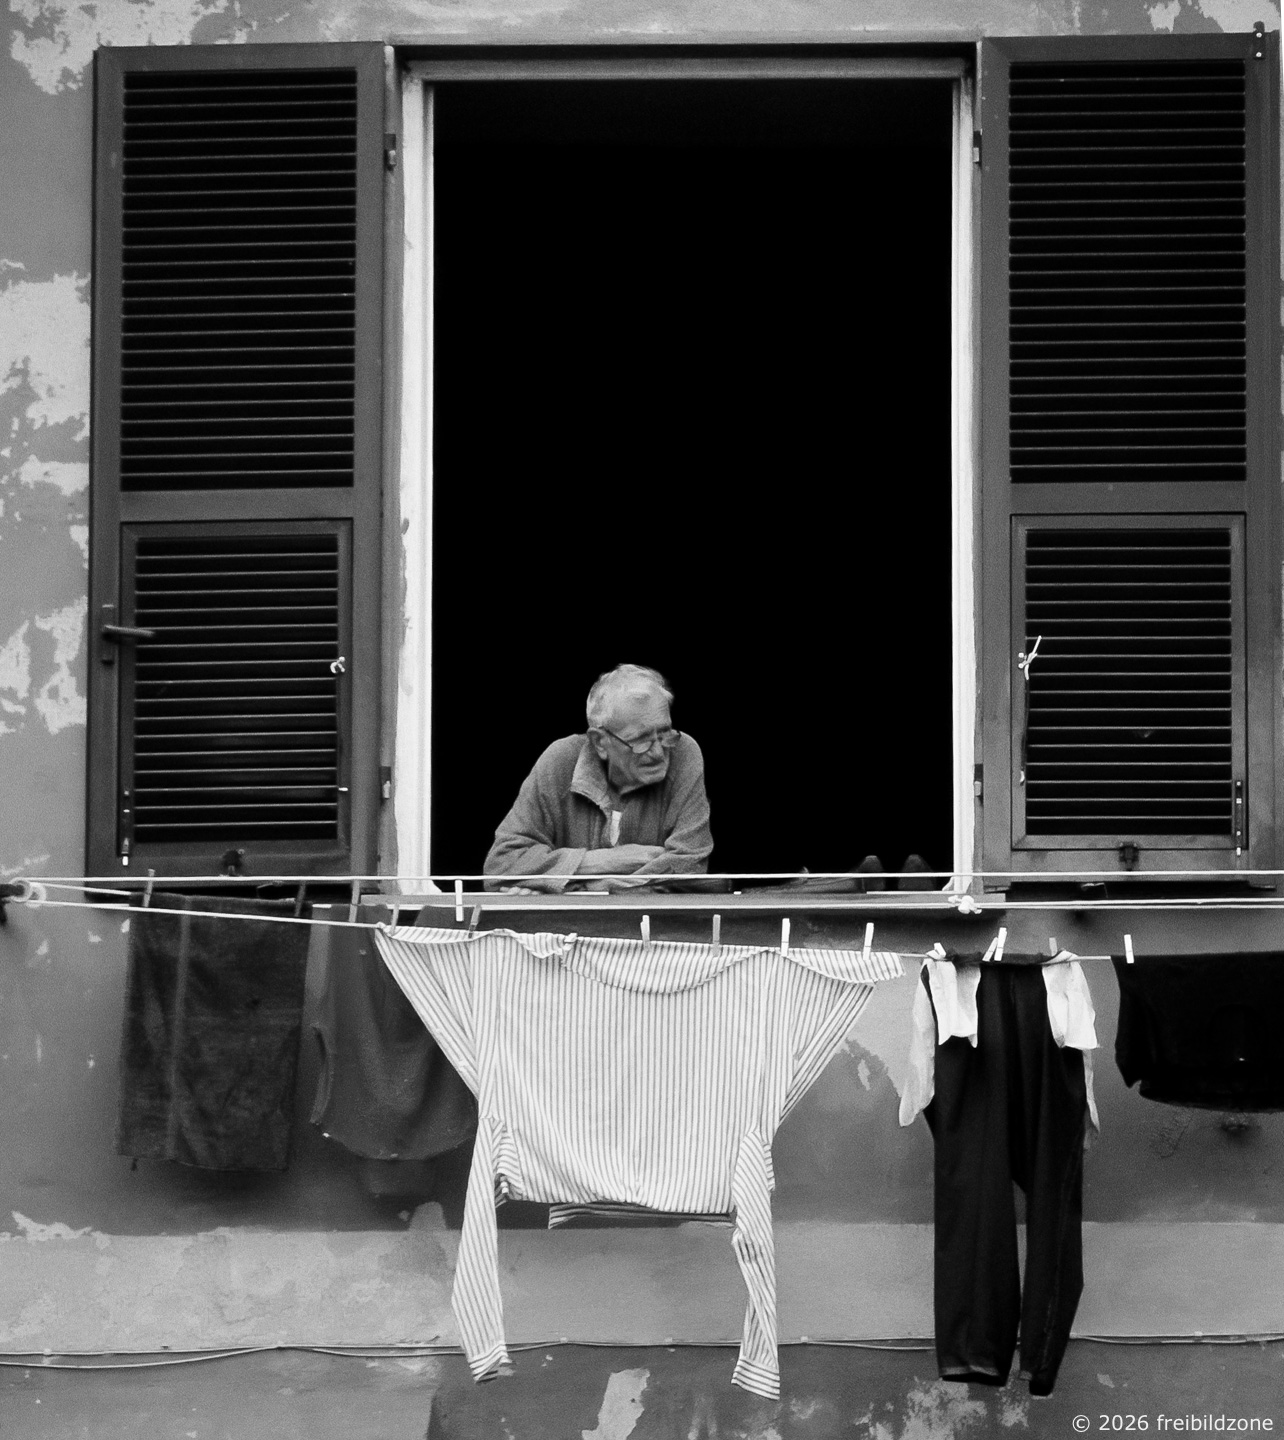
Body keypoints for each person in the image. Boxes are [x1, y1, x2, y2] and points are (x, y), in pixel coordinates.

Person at [484, 664, 713, 891]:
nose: (658, 751)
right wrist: (606, 860)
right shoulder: (560, 760)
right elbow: (501, 865)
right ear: (600, 742)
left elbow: (688, 866)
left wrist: (575, 887)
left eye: (664, 733)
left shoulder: (683, 752)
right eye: (641, 740)